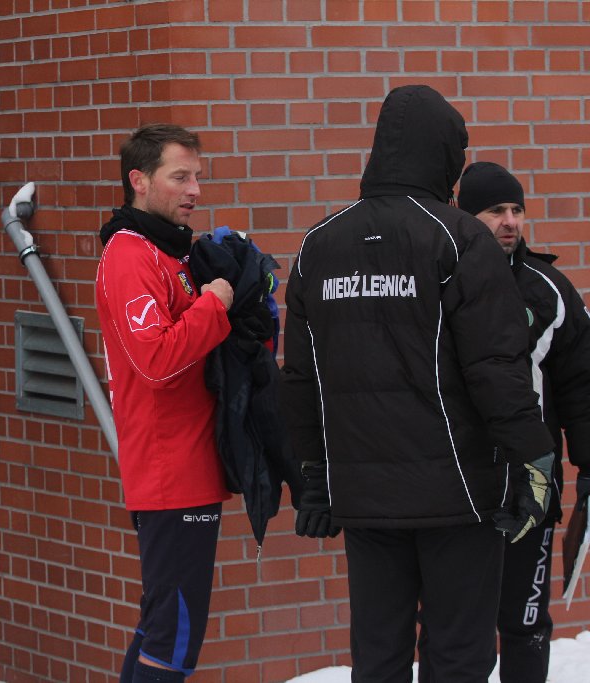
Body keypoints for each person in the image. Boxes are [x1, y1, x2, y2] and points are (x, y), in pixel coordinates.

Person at [279, 85, 556, 682]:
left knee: (377, 657)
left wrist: (314, 475)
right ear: (445, 157)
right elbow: (497, 368)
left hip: (364, 496)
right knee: (459, 654)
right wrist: (534, 460)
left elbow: (302, 379)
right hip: (457, 496)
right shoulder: (459, 239)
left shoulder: (318, 246)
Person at [421, 161, 590, 683]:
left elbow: (580, 387)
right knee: (451, 629)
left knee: (525, 622)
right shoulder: (433, 281)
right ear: (464, 215)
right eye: (495, 210)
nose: (510, 221)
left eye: (516, 209)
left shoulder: (551, 290)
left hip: (531, 488)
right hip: (456, 487)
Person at [95, 123, 234, 683]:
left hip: (190, 467)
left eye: (197, 177)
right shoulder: (130, 256)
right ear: (139, 180)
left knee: (163, 628)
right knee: (174, 637)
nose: (194, 190)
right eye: (180, 176)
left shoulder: (166, 249)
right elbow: (155, 360)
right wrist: (215, 304)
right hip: (169, 472)